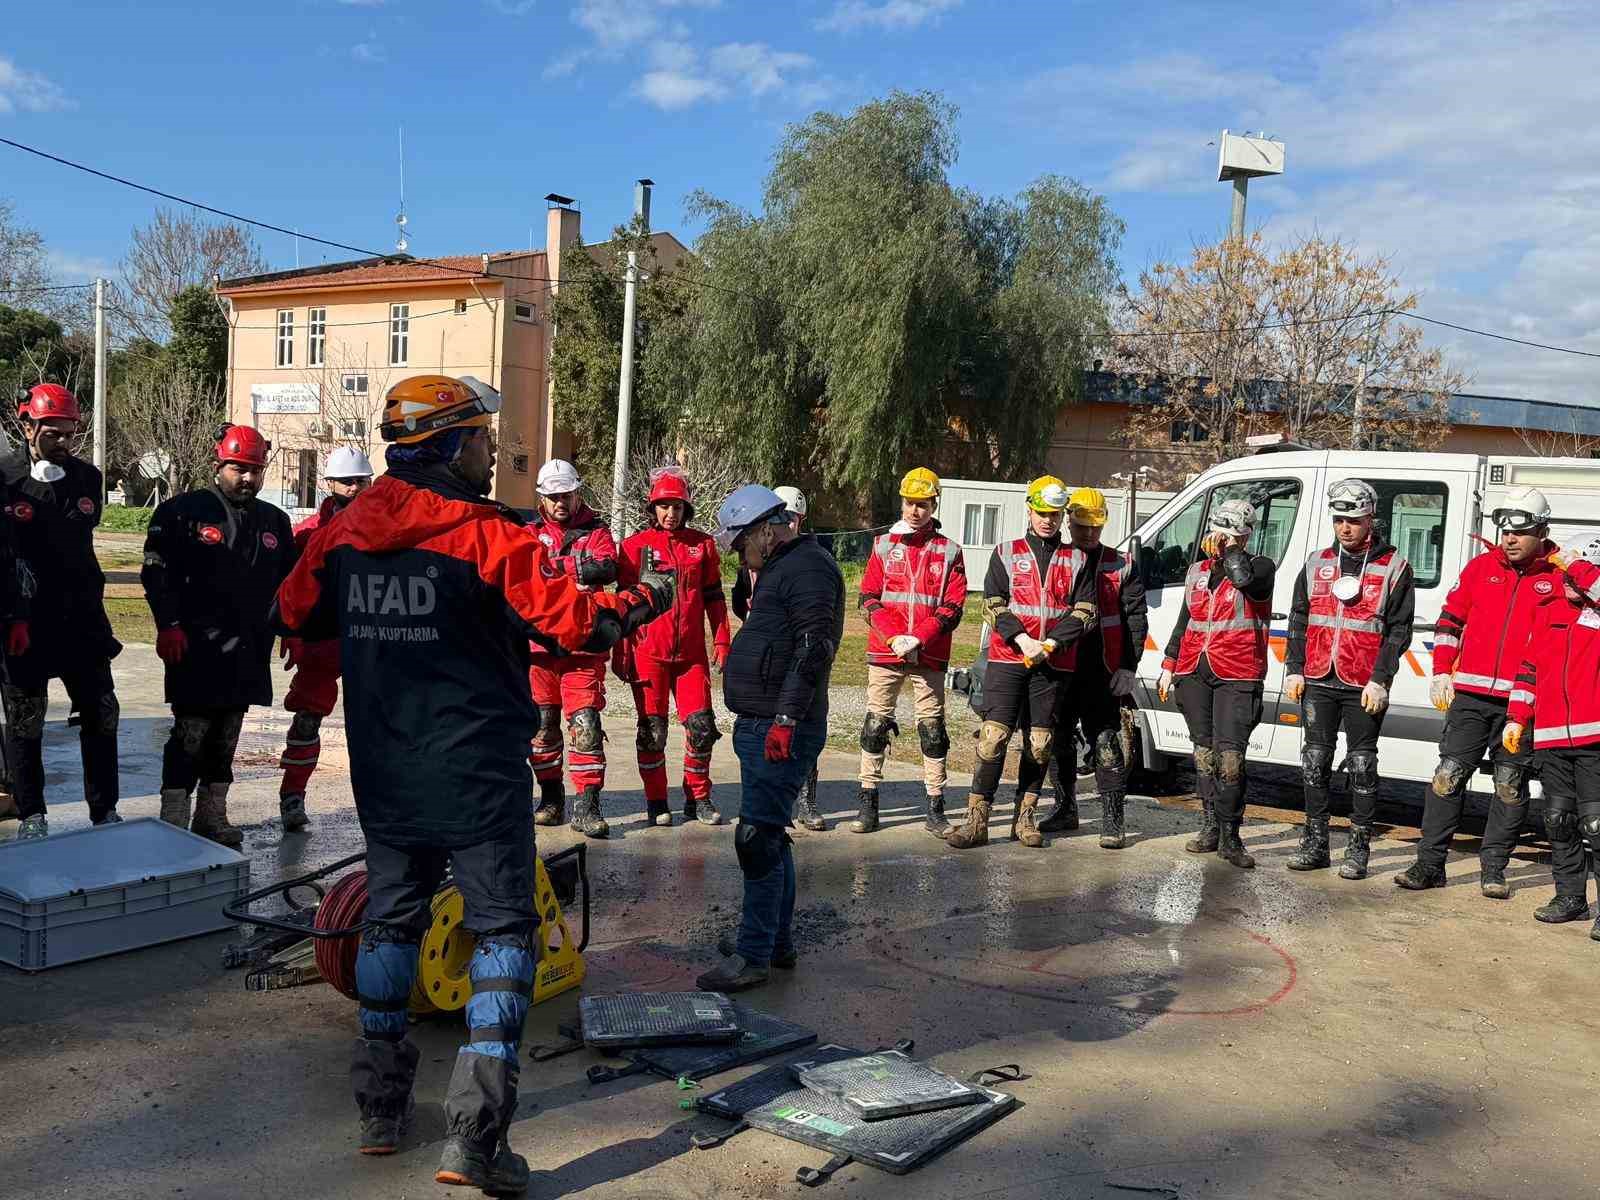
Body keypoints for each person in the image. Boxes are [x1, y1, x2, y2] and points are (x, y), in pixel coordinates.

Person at [275, 374, 672, 1192]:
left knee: (389, 924)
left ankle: (381, 1113)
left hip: (385, 769)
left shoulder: (341, 532)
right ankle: (477, 1142)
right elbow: (579, 626)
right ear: (453, 445)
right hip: (478, 773)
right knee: (500, 936)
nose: (494, 456)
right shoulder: (489, 535)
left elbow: (293, 612)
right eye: (485, 441)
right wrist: (641, 599)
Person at [698, 484, 843, 992]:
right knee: (771, 836)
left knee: (756, 839)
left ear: (765, 529)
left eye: (741, 544)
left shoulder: (807, 568)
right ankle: (773, 943)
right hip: (764, 721)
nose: (740, 553)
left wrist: (785, 717)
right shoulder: (781, 566)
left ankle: (753, 954)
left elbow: (814, 646)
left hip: (781, 727)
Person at [1394, 486, 1559, 895]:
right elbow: (1449, 621)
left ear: (1542, 531)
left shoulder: (1556, 579)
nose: (1510, 539)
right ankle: (1430, 865)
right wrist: (1440, 672)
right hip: (1469, 697)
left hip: (1522, 706)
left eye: (1520, 533)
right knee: (1447, 778)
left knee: (1509, 785)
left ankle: (1494, 869)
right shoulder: (1479, 568)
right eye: (1505, 532)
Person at [142, 424, 297, 847]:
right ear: (218, 465)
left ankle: (212, 815)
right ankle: (172, 816)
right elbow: (156, 574)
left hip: (247, 648)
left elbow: (291, 583)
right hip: (195, 647)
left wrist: (292, 630)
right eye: (238, 468)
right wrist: (167, 625)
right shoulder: (181, 512)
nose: (247, 478)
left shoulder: (275, 522)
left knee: (227, 735)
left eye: (255, 469)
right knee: (190, 734)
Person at [948, 475, 1097, 851]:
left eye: (1055, 513)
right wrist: (1023, 639)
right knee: (993, 738)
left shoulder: (1077, 558)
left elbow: (1086, 610)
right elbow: (992, 604)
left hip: (1052, 663)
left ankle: (1025, 817)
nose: (1048, 520)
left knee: (1040, 743)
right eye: (1042, 512)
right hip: (1007, 658)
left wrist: (1048, 643)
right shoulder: (1005, 552)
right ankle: (976, 821)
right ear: (1029, 510)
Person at [1283, 479, 1415, 879]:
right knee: (1314, 761)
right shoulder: (1315, 561)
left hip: (1363, 682)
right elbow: (1299, 617)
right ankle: (1315, 843)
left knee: (1361, 764)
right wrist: (1293, 667)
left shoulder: (1394, 565)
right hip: (1320, 676)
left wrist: (1382, 678)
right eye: (1339, 519)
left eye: (1353, 520)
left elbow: (1399, 629)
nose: (1345, 527)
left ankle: (1358, 849)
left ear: (1370, 519)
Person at [3, 384, 119, 838]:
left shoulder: (87, 479)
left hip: (82, 619)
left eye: (69, 433)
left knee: (101, 712)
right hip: (24, 622)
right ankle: (32, 813)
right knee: (26, 719)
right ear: (28, 425)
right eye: (52, 432)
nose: (62, 442)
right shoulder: (5, 477)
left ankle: (104, 810)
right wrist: (11, 615)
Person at [1157, 499, 1275, 869]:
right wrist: (1169, 663)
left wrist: (1232, 554)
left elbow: (1246, 584)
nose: (1222, 540)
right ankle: (1209, 826)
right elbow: (1184, 621)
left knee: (1230, 758)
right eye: (1219, 532)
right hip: (1195, 670)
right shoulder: (1196, 571)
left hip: (1238, 672)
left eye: (1233, 534)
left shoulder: (1260, 566)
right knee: (1204, 754)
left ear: (1246, 535)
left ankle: (1231, 835)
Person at [853, 467, 966, 837]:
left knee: (932, 730)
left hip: (928, 652)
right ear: (901, 503)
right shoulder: (884, 545)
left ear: (934, 504)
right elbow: (867, 598)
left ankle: (935, 806)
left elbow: (953, 607)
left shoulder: (949, 551)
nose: (915, 511)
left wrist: (919, 637)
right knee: (875, 725)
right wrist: (892, 637)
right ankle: (868, 803)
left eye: (923, 504)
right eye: (909, 503)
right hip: (887, 651)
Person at [616, 468, 732, 827]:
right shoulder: (633, 548)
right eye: (663, 506)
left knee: (701, 727)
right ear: (653, 508)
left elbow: (714, 596)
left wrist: (723, 638)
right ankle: (656, 801)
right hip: (648, 653)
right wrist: (620, 651)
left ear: (686, 509)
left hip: (691, 656)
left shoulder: (704, 545)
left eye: (677, 506)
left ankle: (698, 796)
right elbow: (622, 604)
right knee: (653, 732)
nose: (670, 513)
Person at [1040, 486, 1148, 849]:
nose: (1088, 534)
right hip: (1058, 664)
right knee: (1057, 739)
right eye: (1081, 526)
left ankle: (1113, 820)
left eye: (1095, 528)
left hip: (1102, 668)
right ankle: (1066, 807)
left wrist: (1128, 667)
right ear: (1068, 521)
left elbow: (1136, 618)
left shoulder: (1122, 564)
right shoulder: (1055, 558)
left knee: (1105, 740)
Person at [1504, 532, 1600, 933]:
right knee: (1558, 820)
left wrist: (1570, 560)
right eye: (1562, 574)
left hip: (1594, 739)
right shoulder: (1547, 613)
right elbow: (1529, 670)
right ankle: (1571, 898)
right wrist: (1515, 716)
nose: (1567, 581)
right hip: (1551, 739)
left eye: (1571, 573)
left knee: (1596, 825)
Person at [275, 446, 373, 833]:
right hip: (322, 641)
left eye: (360, 481)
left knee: (378, 727)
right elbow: (287, 587)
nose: (353, 488)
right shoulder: (307, 534)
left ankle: (381, 805)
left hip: (372, 640)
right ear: (329, 483)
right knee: (307, 721)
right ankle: (292, 796)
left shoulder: (388, 532)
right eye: (346, 481)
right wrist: (292, 631)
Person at [525, 459, 619, 838]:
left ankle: (587, 804)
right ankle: (551, 797)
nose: (561, 503)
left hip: (583, 646)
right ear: (542, 499)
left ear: (578, 493)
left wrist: (553, 569)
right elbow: (525, 573)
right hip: (539, 646)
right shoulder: (528, 532)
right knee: (543, 725)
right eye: (553, 497)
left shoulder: (597, 530)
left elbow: (607, 568)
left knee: (586, 725)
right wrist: (576, 567)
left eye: (567, 494)